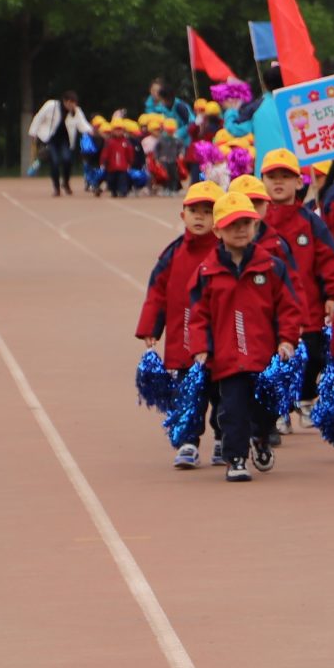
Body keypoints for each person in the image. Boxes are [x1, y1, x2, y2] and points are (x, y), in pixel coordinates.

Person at [189, 192, 303, 482]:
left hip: (264, 356)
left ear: (255, 226)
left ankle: (262, 439)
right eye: (232, 225)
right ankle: (235, 458)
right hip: (228, 358)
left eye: (246, 223)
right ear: (218, 230)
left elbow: (288, 307)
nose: (240, 230)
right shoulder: (207, 272)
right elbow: (198, 315)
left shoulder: (271, 266)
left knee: (265, 409)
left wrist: (287, 339)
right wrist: (201, 347)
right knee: (232, 410)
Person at [137, 180, 224, 468]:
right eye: (194, 210)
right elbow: (157, 292)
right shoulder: (172, 254)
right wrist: (151, 327)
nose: (200, 216)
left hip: (223, 344)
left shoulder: (227, 254)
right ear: (182, 214)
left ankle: (224, 439)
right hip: (184, 340)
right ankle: (188, 442)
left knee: (224, 397)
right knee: (189, 396)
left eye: (208, 211)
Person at [259, 149, 334, 414]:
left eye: (286, 176)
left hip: (309, 307)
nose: (279, 182)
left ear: (299, 182)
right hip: (268, 309)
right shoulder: (256, 223)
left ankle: (305, 396)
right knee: (275, 359)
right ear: (263, 180)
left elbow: (329, 259)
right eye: (273, 177)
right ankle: (277, 410)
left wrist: (333, 295)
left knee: (315, 356)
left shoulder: (310, 221)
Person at [30, 92, 89, 197]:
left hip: (66, 141)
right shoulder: (51, 106)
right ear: (66, 101)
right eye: (71, 103)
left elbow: (83, 124)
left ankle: (65, 182)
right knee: (55, 162)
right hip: (50, 140)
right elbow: (39, 117)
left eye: (75, 104)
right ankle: (56, 188)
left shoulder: (76, 111)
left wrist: (93, 132)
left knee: (67, 160)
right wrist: (33, 132)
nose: (73, 106)